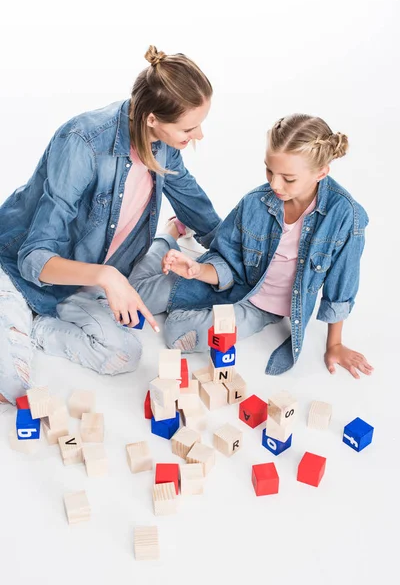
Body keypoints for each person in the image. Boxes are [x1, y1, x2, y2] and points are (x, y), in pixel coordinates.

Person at [0, 45, 221, 405]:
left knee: (124, 356)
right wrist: (107, 277)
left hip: (79, 281)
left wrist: (236, 257)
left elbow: (196, 205)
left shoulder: (163, 144)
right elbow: (33, 258)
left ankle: (37, 326)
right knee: (11, 388)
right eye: (190, 127)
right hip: (17, 267)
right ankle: (22, 316)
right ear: (152, 118)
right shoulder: (82, 143)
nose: (198, 136)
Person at [130, 114, 374, 379]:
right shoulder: (256, 202)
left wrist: (334, 344)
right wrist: (196, 271)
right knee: (133, 298)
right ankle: (169, 235)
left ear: (321, 173)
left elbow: (341, 285)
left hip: (260, 308)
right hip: (230, 281)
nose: (274, 184)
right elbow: (228, 259)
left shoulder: (347, 217)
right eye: (270, 170)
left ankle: (181, 287)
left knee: (177, 336)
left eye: (288, 179)